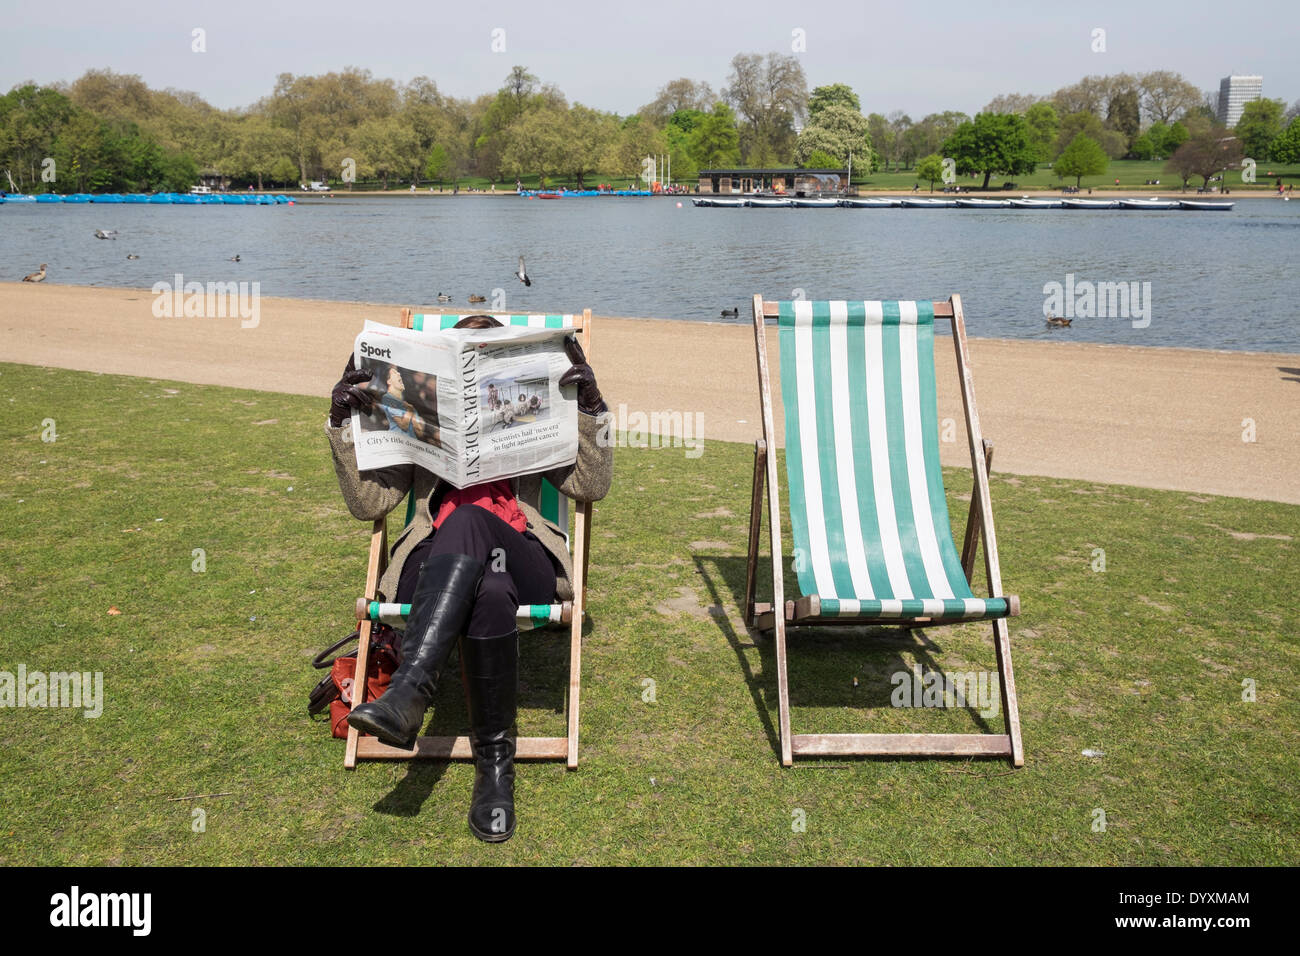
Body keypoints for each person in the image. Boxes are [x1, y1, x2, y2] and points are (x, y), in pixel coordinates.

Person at [325, 316, 612, 842]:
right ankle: (495, 771)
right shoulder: (417, 409)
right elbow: (368, 503)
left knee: (472, 521)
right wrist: (343, 420)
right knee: (491, 588)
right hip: (433, 565)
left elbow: (590, 487)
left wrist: (590, 409)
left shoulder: (531, 406)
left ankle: (410, 692)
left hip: (523, 555)